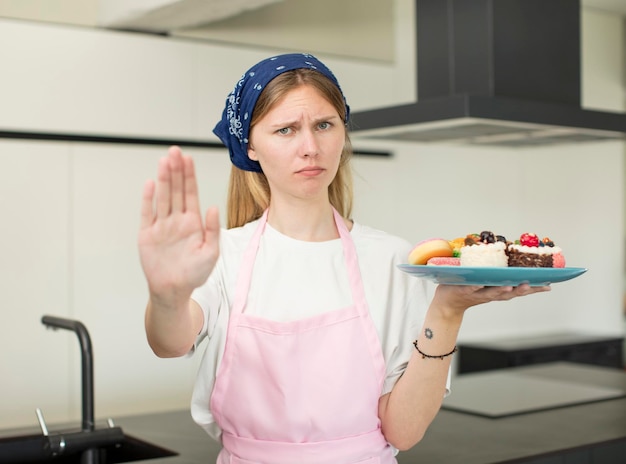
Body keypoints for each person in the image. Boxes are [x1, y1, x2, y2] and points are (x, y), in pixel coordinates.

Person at [138, 53, 549, 464]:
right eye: (285, 130)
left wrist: (447, 311)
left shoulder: (393, 258)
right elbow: (170, 343)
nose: (310, 148)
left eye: (324, 125)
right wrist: (167, 296)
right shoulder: (224, 254)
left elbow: (402, 432)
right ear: (250, 146)